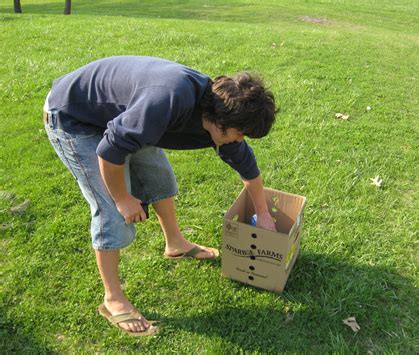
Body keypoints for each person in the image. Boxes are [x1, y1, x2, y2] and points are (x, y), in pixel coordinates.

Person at [43, 56, 277, 336]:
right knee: (111, 212)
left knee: (158, 178)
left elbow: (248, 170)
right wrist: (122, 199)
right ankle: (113, 299)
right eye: (240, 133)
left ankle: (175, 243)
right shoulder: (168, 101)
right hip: (73, 118)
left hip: (125, 116)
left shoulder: (218, 115)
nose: (240, 140)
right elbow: (110, 150)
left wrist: (263, 215)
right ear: (220, 119)